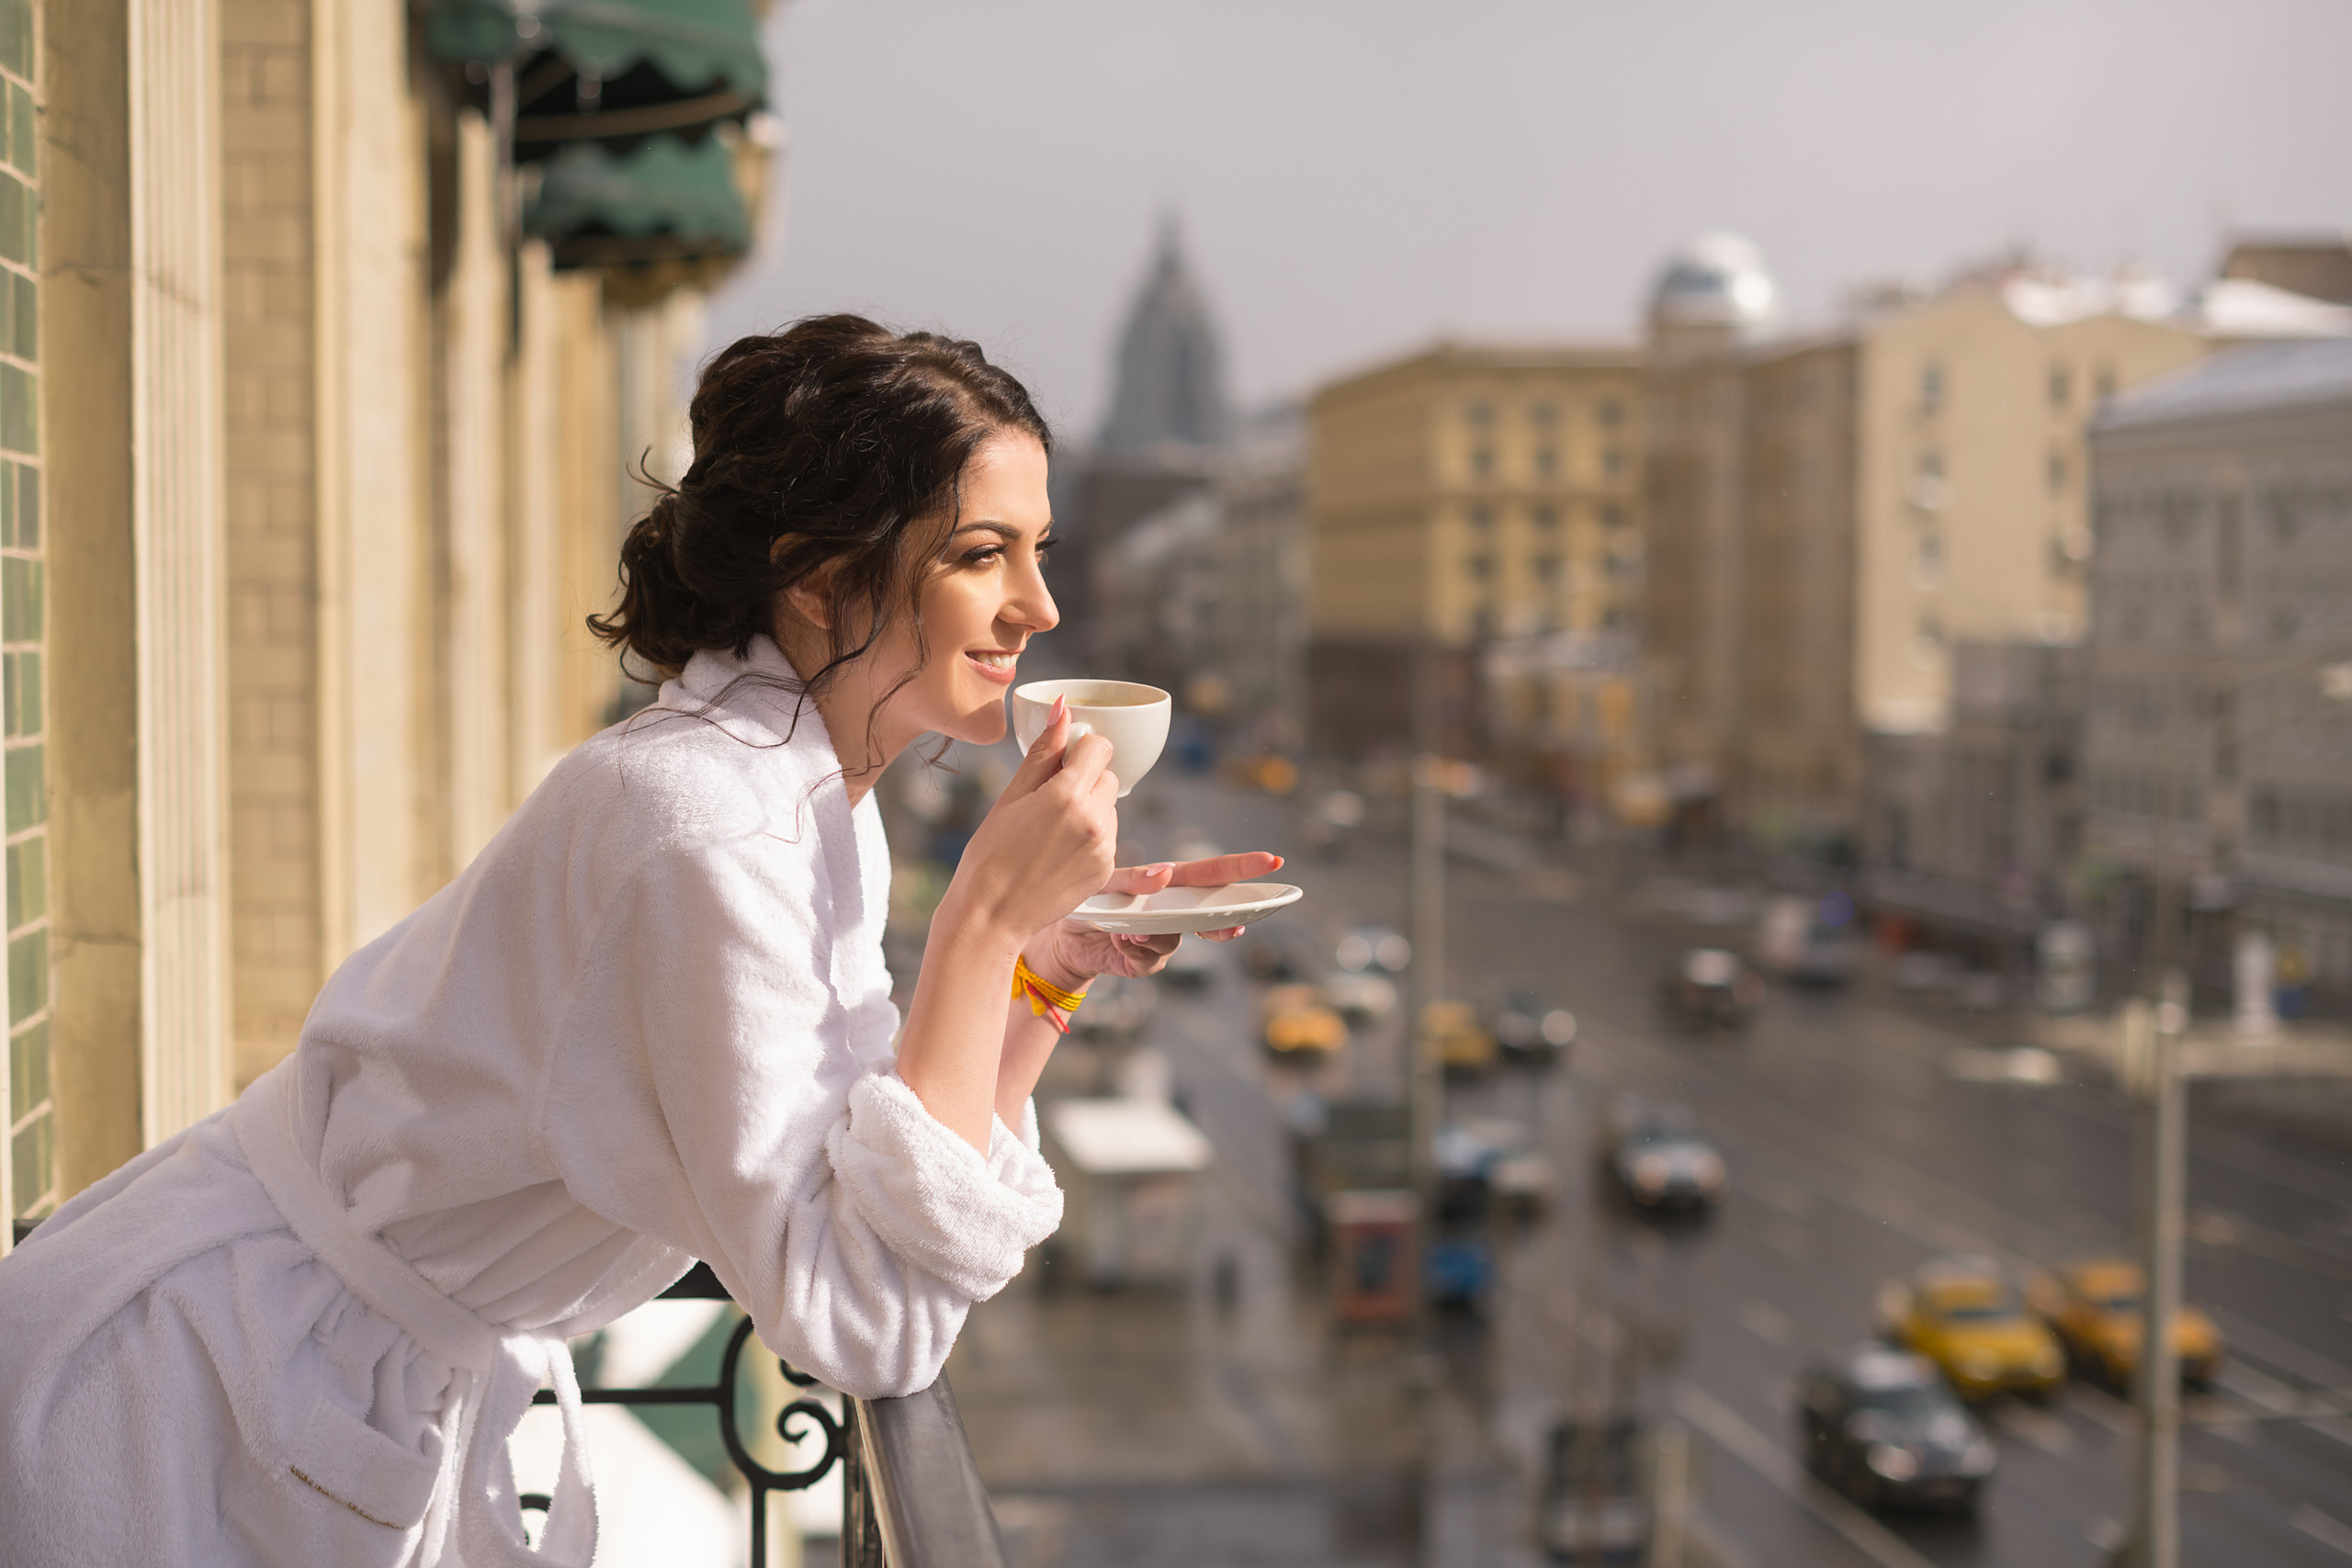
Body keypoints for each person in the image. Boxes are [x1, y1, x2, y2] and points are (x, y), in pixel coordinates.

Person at [0, 315, 1279, 1567]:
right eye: (983, 555)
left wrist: (1036, 972)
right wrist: (979, 923)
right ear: (824, 576)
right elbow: (870, 1319)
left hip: (324, 1372)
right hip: (193, 1388)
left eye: (1041, 551)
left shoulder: (803, 791)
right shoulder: (709, 828)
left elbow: (870, 1166)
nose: (1039, 608)